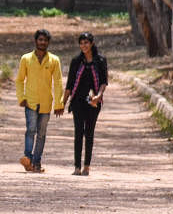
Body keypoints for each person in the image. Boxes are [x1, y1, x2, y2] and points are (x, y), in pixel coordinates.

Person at [14, 28, 65, 173]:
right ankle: (28, 158)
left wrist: (59, 104)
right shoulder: (26, 59)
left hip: (46, 103)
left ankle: (36, 162)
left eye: (45, 40)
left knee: (41, 134)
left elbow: (58, 82)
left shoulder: (54, 60)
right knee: (30, 130)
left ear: (48, 42)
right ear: (36, 41)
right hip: (30, 101)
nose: (42, 42)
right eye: (40, 39)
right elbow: (19, 80)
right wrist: (21, 97)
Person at [61, 31, 108, 176]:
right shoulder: (76, 61)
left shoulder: (100, 60)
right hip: (77, 101)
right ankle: (76, 166)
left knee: (89, 133)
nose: (84, 46)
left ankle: (87, 166)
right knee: (78, 132)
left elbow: (103, 82)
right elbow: (69, 84)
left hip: (93, 102)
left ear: (92, 43)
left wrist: (98, 96)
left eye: (86, 43)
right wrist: (62, 103)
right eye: (81, 43)